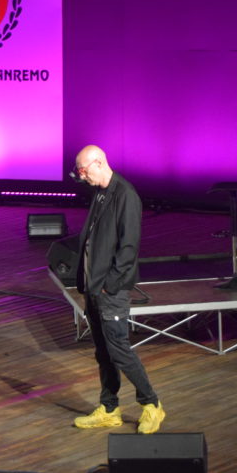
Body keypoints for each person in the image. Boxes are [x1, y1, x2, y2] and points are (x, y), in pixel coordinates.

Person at [71, 145, 164, 434]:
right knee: (103, 352)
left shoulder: (126, 195)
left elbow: (128, 248)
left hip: (110, 291)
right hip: (94, 288)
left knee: (119, 350)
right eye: (79, 172)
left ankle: (152, 405)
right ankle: (109, 408)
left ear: (99, 163)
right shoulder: (100, 193)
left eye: (83, 170)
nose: (81, 176)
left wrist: (109, 286)